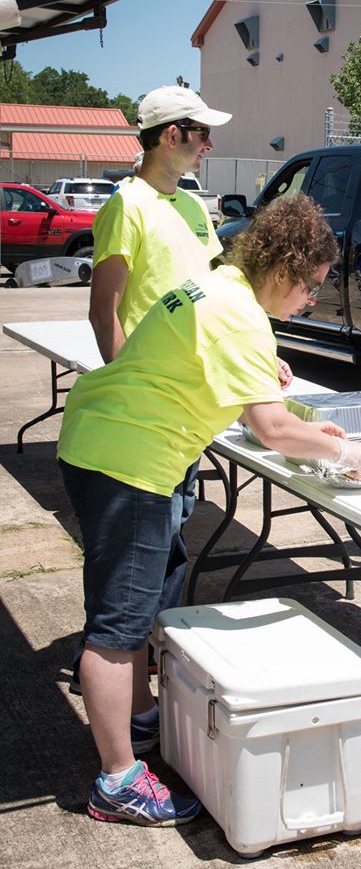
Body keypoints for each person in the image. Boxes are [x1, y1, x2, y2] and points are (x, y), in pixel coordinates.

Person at [57, 193, 361, 826]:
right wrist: (348, 452)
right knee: (118, 627)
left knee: (130, 609)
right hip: (129, 461)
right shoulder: (240, 316)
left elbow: (198, 356)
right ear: (285, 269)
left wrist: (262, 365)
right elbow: (273, 428)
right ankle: (117, 780)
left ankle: (139, 716)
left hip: (102, 441)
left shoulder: (217, 285)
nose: (310, 301)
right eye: (310, 288)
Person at [68, 86, 236, 696]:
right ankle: (121, 657)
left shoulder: (192, 207)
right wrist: (125, 387)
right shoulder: (126, 205)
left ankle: (146, 657)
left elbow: (219, 296)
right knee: (139, 552)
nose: (209, 144)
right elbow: (104, 309)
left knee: (169, 540)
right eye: (201, 133)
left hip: (186, 409)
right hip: (148, 412)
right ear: (172, 134)